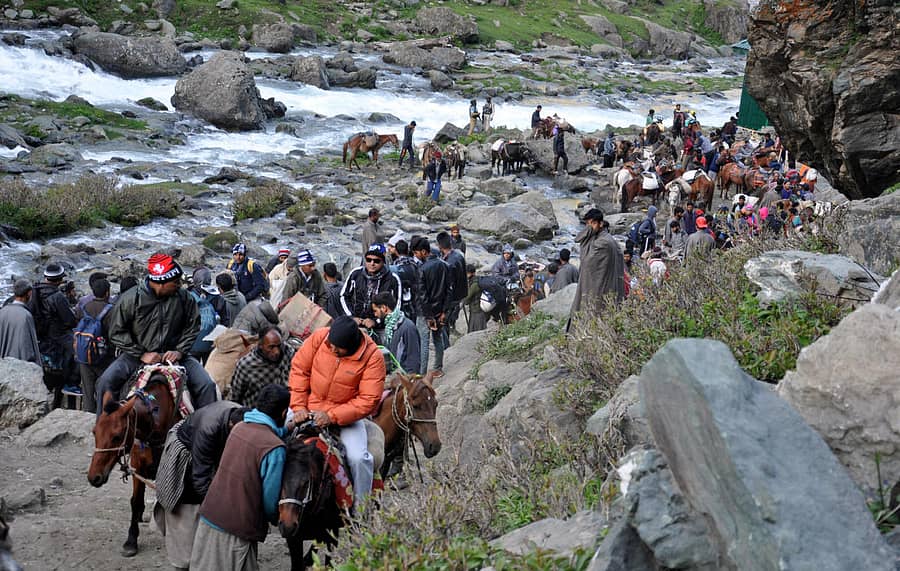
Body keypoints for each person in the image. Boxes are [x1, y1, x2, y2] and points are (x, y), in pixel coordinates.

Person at [96, 254, 218, 416]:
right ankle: (104, 427)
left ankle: (205, 427)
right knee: (105, 382)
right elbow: (116, 331)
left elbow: (193, 325)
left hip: (174, 354)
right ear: (161, 283)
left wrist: (180, 351)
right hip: (136, 355)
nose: (179, 285)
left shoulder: (183, 297)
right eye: (175, 282)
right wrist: (141, 354)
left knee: (207, 385)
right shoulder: (131, 299)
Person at [289, 317, 385, 509]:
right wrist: (299, 406)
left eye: (338, 349)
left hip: (346, 418)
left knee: (359, 459)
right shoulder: (320, 338)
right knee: (273, 440)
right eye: (331, 345)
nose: (332, 350)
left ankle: (360, 511)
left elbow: (368, 400)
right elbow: (299, 370)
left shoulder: (373, 357)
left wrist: (331, 416)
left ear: (352, 345)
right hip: (308, 408)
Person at [190, 385, 289, 570]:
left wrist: (286, 429)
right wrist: (274, 519)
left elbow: (262, 433)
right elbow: (269, 501)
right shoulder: (275, 449)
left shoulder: (238, 427)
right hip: (237, 528)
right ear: (284, 413)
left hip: (210, 515)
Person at [155, 400, 249, 570]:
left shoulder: (242, 418)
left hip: (207, 454)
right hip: (185, 455)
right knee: (185, 510)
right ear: (230, 425)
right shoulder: (208, 429)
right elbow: (200, 478)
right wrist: (218, 511)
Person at [30, 263, 78, 403]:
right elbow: (70, 321)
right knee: (78, 350)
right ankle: (72, 384)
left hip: (40, 335)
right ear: (59, 280)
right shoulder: (57, 296)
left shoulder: (34, 290)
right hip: (57, 336)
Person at [569, 208, 625, 325]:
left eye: (593, 223)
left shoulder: (603, 242)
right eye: (588, 224)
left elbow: (586, 261)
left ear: (601, 223)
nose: (590, 227)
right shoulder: (604, 238)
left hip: (601, 289)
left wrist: (586, 236)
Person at [411, 236, 451, 377]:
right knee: (438, 339)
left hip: (425, 312)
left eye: (416, 253)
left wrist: (428, 316)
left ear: (423, 252)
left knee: (423, 342)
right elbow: (448, 291)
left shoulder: (422, 269)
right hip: (439, 310)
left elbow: (423, 296)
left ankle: (421, 374)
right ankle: (438, 369)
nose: (416, 256)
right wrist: (444, 312)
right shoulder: (444, 265)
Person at [74, 278, 114, 413]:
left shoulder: (83, 307)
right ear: (107, 293)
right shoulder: (111, 310)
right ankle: (103, 415)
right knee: (105, 388)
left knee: (87, 390)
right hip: (104, 356)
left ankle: (88, 415)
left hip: (84, 353)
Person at [340, 243, 402, 330]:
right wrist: (351, 316)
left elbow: (397, 307)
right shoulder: (355, 274)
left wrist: (376, 321)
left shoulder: (393, 279)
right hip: (357, 323)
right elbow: (343, 296)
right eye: (368, 260)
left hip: (381, 328)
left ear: (383, 262)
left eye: (376, 261)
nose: (372, 263)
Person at [230, 326, 295, 407]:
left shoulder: (288, 352)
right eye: (271, 347)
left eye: (278, 346)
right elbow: (236, 395)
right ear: (261, 345)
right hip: (256, 411)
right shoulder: (247, 365)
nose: (276, 352)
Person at [371, 292, 420, 374]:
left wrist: (410, 381)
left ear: (383, 308)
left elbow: (413, 359)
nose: (375, 314)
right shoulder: (390, 327)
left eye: (375, 311)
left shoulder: (407, 327)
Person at [0, 279, 41, 365]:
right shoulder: (25, 315)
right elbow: (27, 347)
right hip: (19, 366)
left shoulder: (3, 311)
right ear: (29, 293)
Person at [389, 239, 419, 322]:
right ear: (407, 250)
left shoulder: (395, 265)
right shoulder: (414, 263)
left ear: (396, 251)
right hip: (414, 295)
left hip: (401, 295)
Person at [461, 264, 487, 333]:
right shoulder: (476, 280)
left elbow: (467, 298)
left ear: (472, 273)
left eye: (467, 273)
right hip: (477, 309)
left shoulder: (474, 284)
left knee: (477, 330)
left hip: (477, 310)